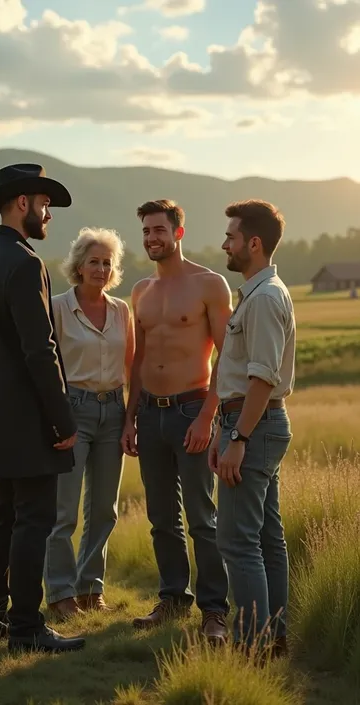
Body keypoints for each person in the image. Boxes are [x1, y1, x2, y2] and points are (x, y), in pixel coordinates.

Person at [0, 163, 85, 656]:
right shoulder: (26, 263)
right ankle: (27, 629)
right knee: (34, 520)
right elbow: (39, 350)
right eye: (44, 204)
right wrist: (62, 419)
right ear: (22, 203)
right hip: (27, 418)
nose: (48, 214)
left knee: (4, 516)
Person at [121, 199, 231, 643]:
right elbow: (138, 359)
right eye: (146, 231)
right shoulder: (141, 291)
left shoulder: (210, 284)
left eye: (159, 230)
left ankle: (214, 610)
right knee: (162, 518)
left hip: (191, 409)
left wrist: (208, 416)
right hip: (150, 413)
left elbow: (228, 355)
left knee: (202, 517)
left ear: (178, 234)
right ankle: (172, 598)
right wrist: (130, 418)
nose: (152, 238)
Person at [209, 199, 295, 657]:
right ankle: (274, 638)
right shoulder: (262, 292)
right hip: (252, 423)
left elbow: (261, 377)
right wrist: (226, 429)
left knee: (237, 541)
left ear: (254, 243)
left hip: (253, 426)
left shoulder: (263, 298)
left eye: (231, 236)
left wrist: (237, 438)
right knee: (265, 536)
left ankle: (252, 646)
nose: (225, 243)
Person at [44, 227, 134, 619]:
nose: (100, 268)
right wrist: (57, 419)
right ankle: (60, 593)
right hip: (72, 409)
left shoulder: (121, 311)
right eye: (93, 261)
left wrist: (132, 418)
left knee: (105, 510)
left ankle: (89, 589)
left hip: (113, 411)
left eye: (106, 262)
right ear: (78, 265)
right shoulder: (57, 307)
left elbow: (132, 368)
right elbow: (48, 367)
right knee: (63, 512)